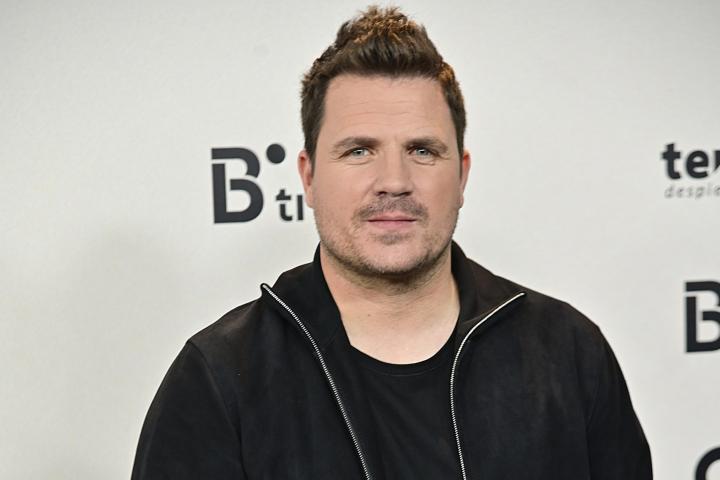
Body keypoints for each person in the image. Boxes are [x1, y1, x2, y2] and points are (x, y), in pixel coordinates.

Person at [131, 6, 652, 479]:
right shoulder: (219, 379)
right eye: (359, 151)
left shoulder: (568, 353)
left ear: (462, 175)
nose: (394, 181)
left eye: (422, 150)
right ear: (308, 178)